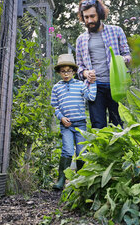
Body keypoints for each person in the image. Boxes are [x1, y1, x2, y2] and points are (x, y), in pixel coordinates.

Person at [75, 0, 131, 129]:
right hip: (95, 88)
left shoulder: (116, 31)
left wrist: (122, 60)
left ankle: (118, 150)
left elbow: (128, 56)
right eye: (86, 17)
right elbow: (79, 67)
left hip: (116, 86)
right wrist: (85, 73)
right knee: (98, 126)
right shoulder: (80, 40)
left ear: (100, 14)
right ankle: (101, 150)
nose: (89, 21)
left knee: (117, 125)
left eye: (92, 16)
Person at [50, 54, 96, 190]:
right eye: (63, 71)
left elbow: (91, 97)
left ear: (74, 72)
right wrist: (61, 118)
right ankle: (61, 180)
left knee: (82, 152)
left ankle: (80, 180)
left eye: (68, 71)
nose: (66, 74)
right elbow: (55, 106)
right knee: (67, 151)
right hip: (67, 125)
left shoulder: (80, 85)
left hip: (80, 123)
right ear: (59, 72)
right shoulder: (56, 88)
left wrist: (93, 83)